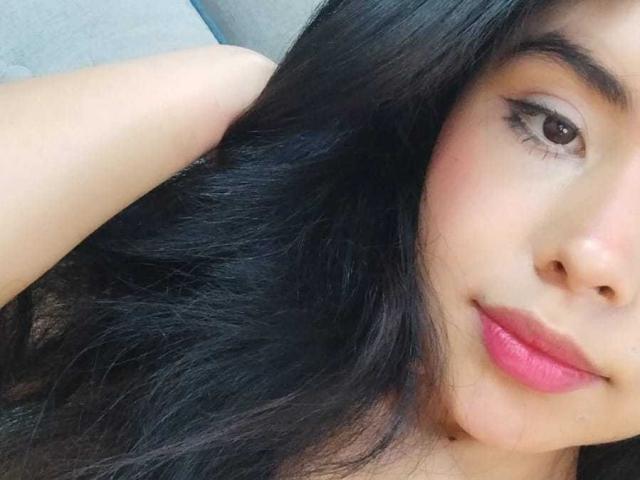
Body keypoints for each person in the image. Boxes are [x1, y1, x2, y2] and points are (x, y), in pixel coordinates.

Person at [1, 0, 639, 479]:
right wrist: (231, 90)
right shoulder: (155, 321)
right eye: (554, 127)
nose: (592, 256)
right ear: (439, 100)